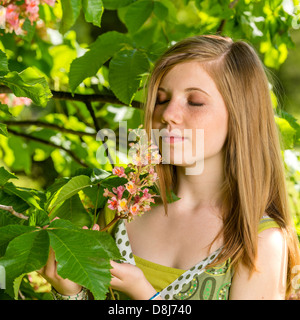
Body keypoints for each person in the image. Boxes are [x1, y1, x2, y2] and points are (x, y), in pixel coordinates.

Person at [40, 35, 300, 300]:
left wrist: (143, 293)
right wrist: (69, 291)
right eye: (161, 100)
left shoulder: (259, 241)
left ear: (240, 115)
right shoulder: (122, 207)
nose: (167, 114)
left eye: (195, 102)